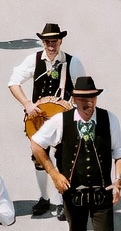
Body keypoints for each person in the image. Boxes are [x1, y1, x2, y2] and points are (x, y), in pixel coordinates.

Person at [31, 76, 121, 231]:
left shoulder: (108, 119)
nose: (89, 103)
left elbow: (120, 151)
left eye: (92, 98)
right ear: (74, 100)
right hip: (72, 193)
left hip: (102, 191)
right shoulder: (60, 121)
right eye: (83, 99)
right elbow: (36, 144)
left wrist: (118, 180)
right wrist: (53, 174)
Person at [8, 23, 84, 220]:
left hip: (63, 120)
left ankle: (61, 201)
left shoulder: (72, 62)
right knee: (39, 158)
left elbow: (83, 91)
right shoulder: (33, 60)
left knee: (62, 160)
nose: (51, 45)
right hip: (38, 119)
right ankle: (43, 198)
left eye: (55, 41)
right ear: (43, 42)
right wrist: (27, 104)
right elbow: (13, 82)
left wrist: (72, 111)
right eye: (47, 41)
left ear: (60, 41)